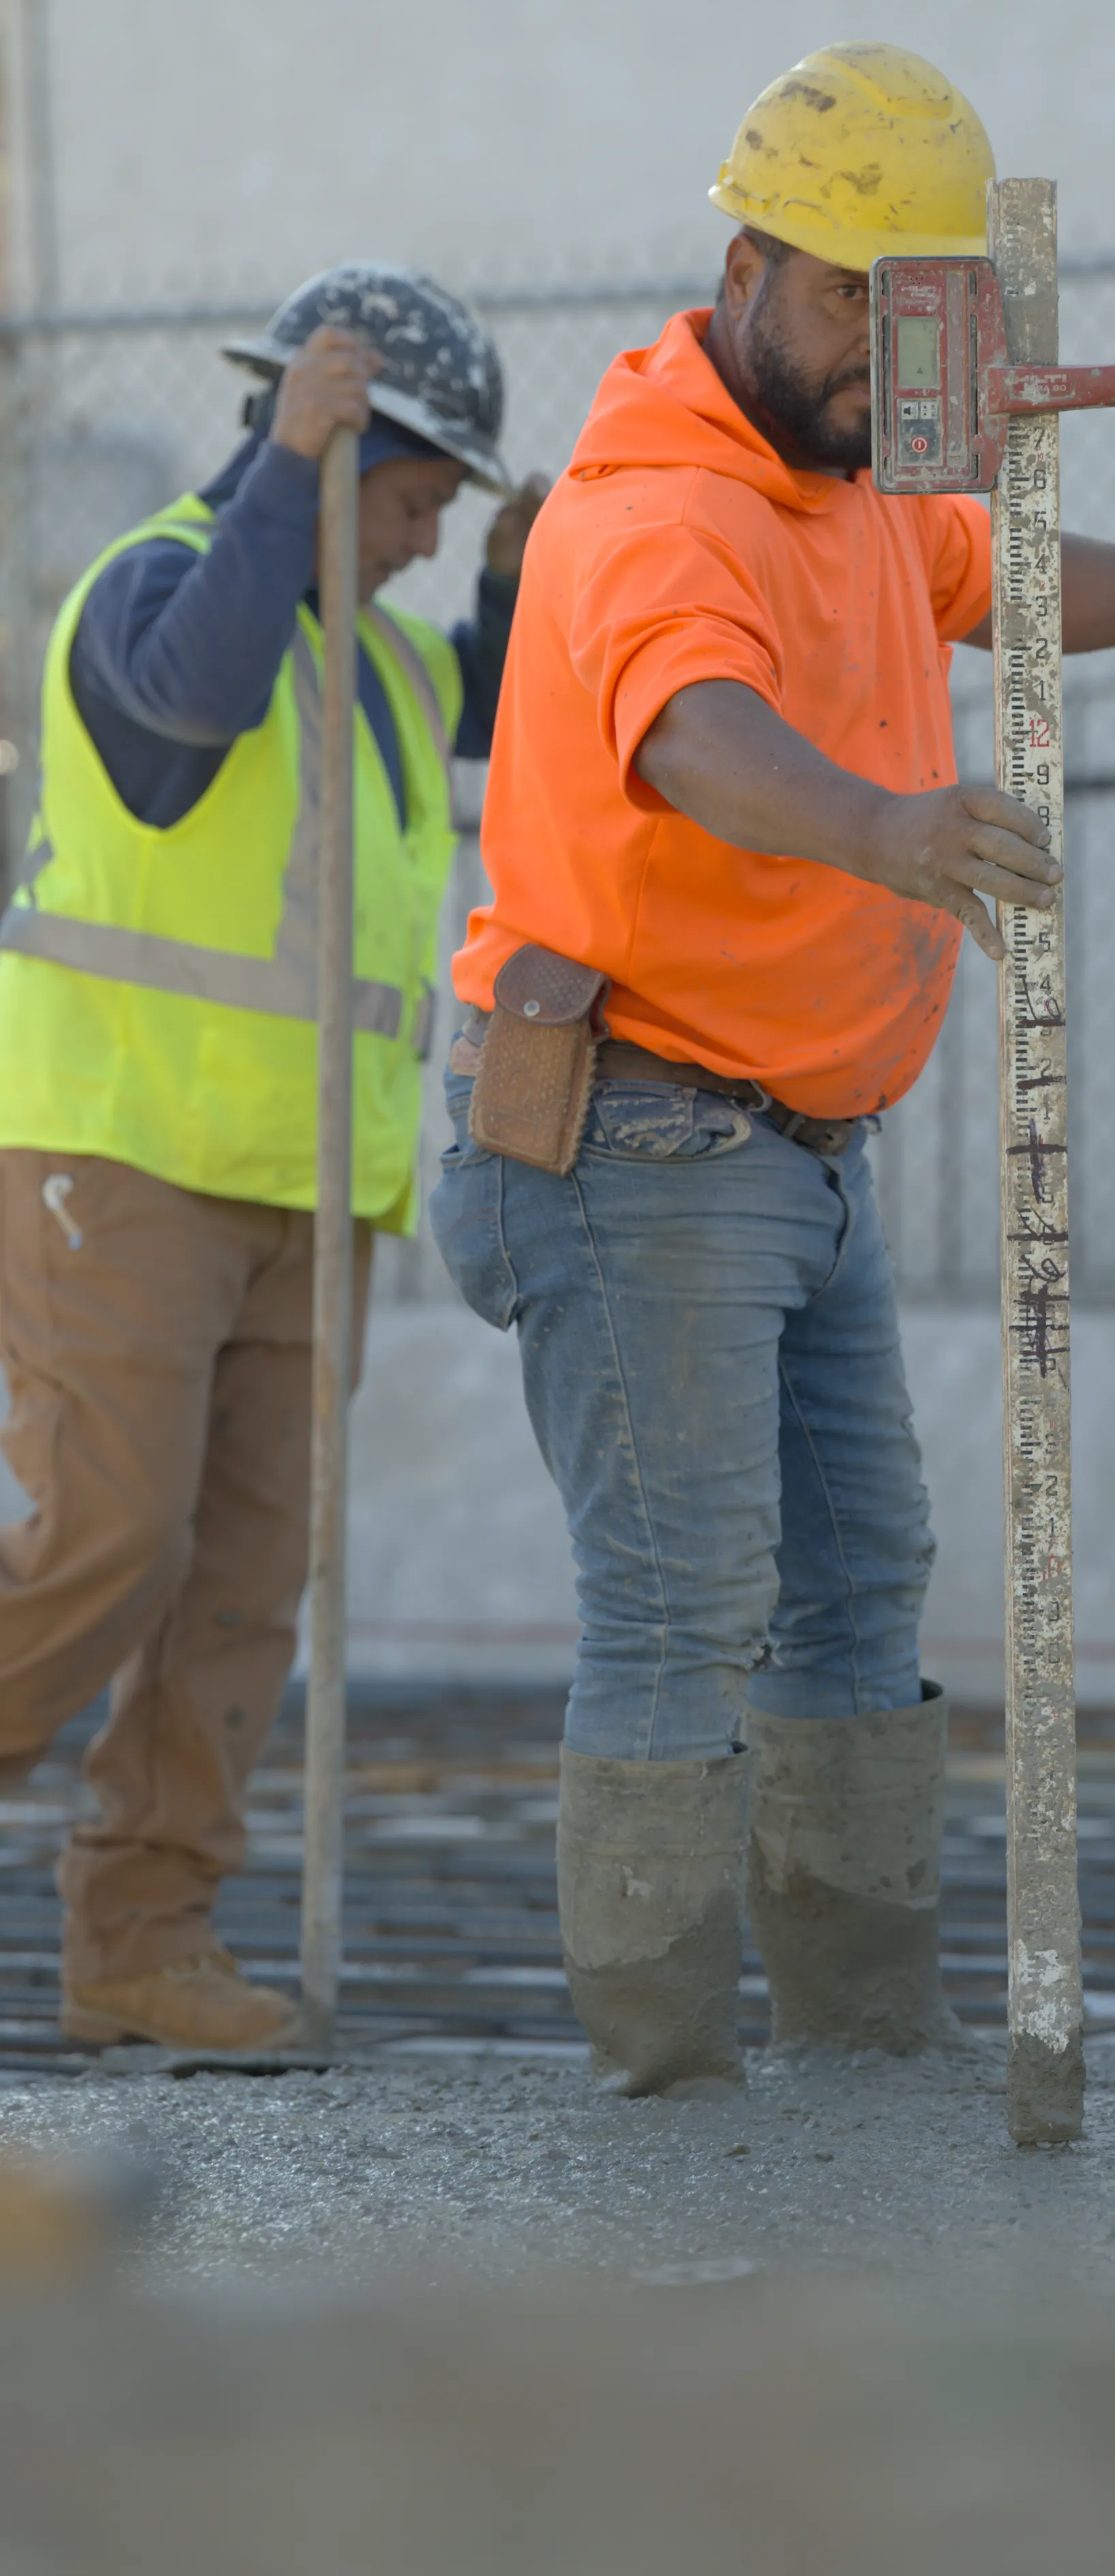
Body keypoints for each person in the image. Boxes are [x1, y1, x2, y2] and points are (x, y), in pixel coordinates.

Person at [434, 45, 1115, 2097]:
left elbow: (1009, 577)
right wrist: (883, 830)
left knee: (859, 1583)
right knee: (687, 1611)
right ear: (748, 264)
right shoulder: (656, 507)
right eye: (852, 296)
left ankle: (870, 2049)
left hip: (796, 1139)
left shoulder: (858, 489)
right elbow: (695, 733)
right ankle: (668, 2087)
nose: (886, 344)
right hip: (632, 1131)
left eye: (920, 303)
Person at [0, 263, 545, 2054]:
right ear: (325, 447)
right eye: (410, 498)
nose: (415, 538)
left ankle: (141, 1944)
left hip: (313, 1190)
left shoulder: (377, 654)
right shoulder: (156, 582)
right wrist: (281, 479)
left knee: (244, 1580)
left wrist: (521, 572)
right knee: (111, 1542)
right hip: (126, 1151)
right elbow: (175, 730)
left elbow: (498, 712)